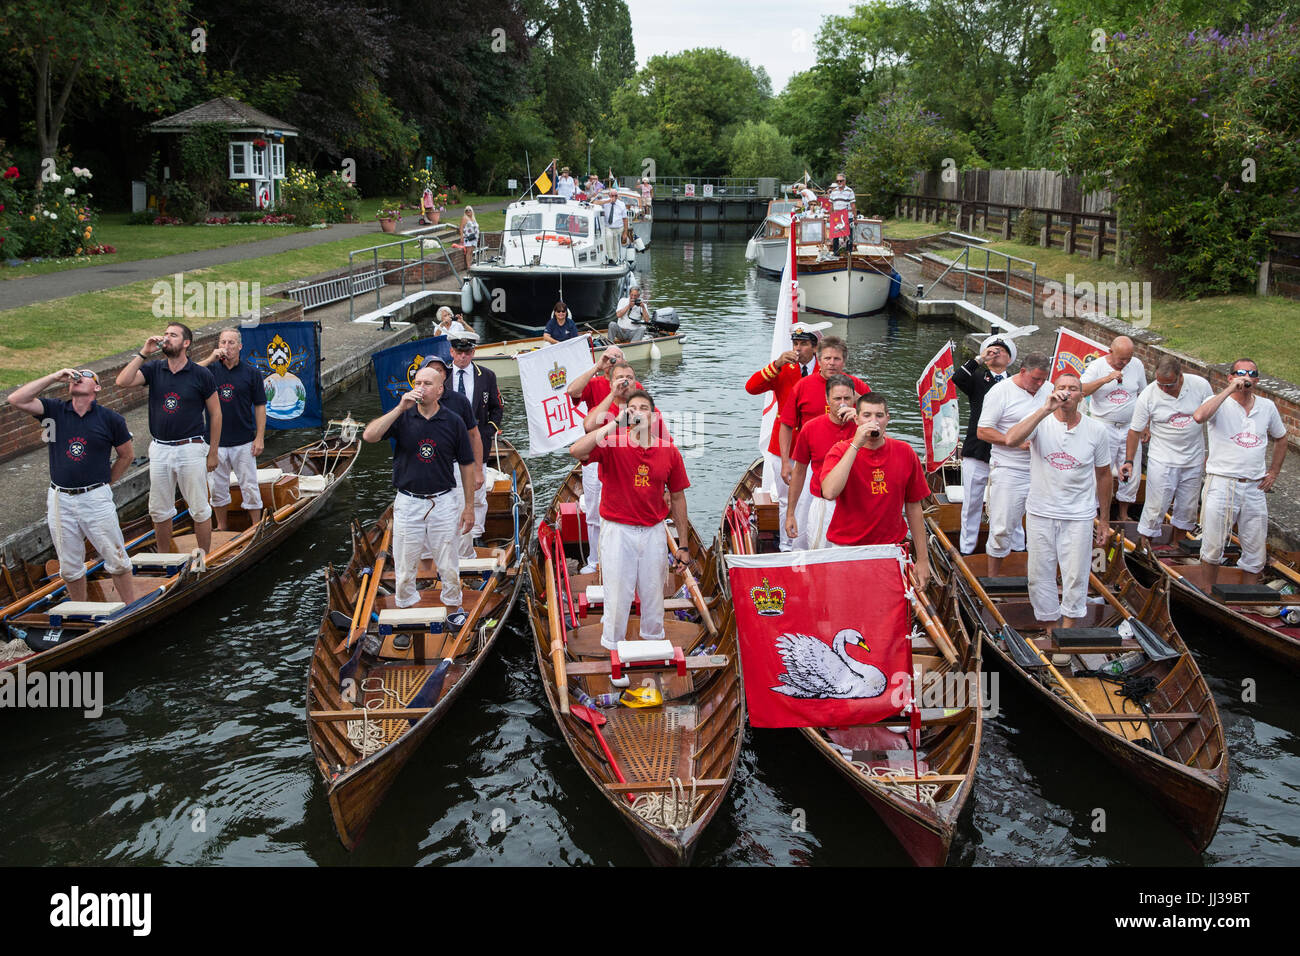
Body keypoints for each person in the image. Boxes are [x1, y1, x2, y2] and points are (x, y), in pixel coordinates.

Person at [570, 388, 692, 650]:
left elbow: (679, 498)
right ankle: (613, 645)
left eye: (644, 408)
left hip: (653, 531)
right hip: (618, 530)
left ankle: (653, 641)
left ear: (654, 416)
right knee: (617, 594)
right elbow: (576, 451)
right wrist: (614, 423)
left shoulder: (669, 451)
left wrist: (683, 544)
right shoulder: (612, 443)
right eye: (632, 408)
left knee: (653, 591)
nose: (638, 413)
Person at [9, 367, 136, 604]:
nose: (78, 378)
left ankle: (132, 607)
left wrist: (106, 483)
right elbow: (16, 399)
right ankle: (80, 609)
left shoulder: (111, 419)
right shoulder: (55, 410)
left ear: (97, 388)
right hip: (60, 498)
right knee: (69, 565)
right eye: (75, 376)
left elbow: (126, 455)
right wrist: (52, 377)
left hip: (95, 497)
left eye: (86, 376)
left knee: (116, 558)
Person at [361, 365, 475, 626]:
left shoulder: (453, 421)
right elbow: (369, 435)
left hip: (443, 501)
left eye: (426, 384)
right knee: (404, 566)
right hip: (408, 502)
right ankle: (406, 618)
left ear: (439, 390)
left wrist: (468, 507)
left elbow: (467, 465)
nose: (420, 388)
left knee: (448, 564)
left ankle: (453, 610)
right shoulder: (402, 416)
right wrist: (399, 408)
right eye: (417, 382)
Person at [1002, 373, 1112, 627]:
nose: (1066, 393)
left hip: (1079, 515)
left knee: (1076, 574)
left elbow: (1104, 475)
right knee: (1039, 575)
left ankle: (1068, 629)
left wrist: (1104, 520)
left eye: (1072, 389)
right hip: (1041, 511)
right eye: (1061, 388)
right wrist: (1044, 409)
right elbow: (1011, 439)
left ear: (1081, 396)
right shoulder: (1040, 421)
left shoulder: (1096, 430)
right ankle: (1051, 627)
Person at [115, 322, 220, 555]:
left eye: (173, 335)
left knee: (200, 508)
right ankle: (163, 559)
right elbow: (122, 382)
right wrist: (144, 352)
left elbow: (216, 413)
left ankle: (204, 557)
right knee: (159, 510)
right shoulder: (154, 369)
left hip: (191, 448)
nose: (166, 338)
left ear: (186, 343)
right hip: (160, 449)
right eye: (165, 334)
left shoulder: (201, 374)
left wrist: (213, 452)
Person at [818, 394, 931, 589]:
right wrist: (856, 445)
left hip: (889, 549)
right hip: (847, 548)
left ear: (887, 418)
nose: (873, 421)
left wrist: (923, 560)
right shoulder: (839, 451)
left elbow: (913, 506)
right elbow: (829, 492)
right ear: (856, 419)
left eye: (879, 415)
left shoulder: (905, 452)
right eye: (867, 415)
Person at [1192, 358, 1288, 586]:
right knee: (1214, 543)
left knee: (1255, 546)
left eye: (1251, 374)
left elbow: (1281, 438)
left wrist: (1273, 472)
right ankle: (1208, 590)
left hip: (1254, 485)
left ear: (1257, 379)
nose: (1246, 378)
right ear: (1230, 376)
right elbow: (1199, 417)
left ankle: (1248, 596)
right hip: (1222, 482)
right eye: (1241, 373)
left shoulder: (1267, 407)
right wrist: (1229, 390)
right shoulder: (1217, 401)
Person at [1122, 356, 1214, 549]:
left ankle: (1176, 546)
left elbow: (1214, 420)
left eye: (1169, 385)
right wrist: (1129, 460)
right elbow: (1134, 430)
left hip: (1193, 458)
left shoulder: (1200, 386)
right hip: (1162, 458)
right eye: (1160, 384)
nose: (1163, 389)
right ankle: (1145, 545)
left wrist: (1212, 454)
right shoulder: (1148, 394)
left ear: (1181, 377)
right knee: (1156, 506)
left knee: (1188, 507)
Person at [975, 351, 1052, 576]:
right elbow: (983, 431)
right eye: (1035, 379)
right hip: (1010, 467)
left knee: (1044, 526)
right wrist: (1013, 443)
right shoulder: (1000, 392)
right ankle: (992, 578)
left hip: (1042, 467)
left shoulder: (1048, 389)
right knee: (1002, 527)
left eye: (1043, 379)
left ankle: (1039, 574)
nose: (1039, 384)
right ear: (1023, 371)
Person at [745, 322, 820, 549]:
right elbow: (751, 387)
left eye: (804, 344)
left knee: (814, 500)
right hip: (784, 447)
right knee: (788, 499)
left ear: (815, 348)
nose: (798, 349)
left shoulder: (826, 371)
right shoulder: (782, 370)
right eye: (795, 343)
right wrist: (776, 364)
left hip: (816, 448)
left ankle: (810, 544)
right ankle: (787, 547)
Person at [566, 346, 633, 571]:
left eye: (619, 359)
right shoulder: (596, 384)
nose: (614, 363)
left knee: (625, 508)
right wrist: (597, 366)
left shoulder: (634, 388)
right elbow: (572, 391)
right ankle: (595, 560)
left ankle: (620, 560)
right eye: (610, 359)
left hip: (624, 455)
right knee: (594, 509)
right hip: (596, 452)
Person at [779, 336, 869, 494]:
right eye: (827, 358)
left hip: (853, 463)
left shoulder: (857, 385)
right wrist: (785, 462)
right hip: (811, 464)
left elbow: (877, 421)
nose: (831, 363)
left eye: (837, 359)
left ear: (844, 362)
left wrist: (858, 400)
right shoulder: (803, 386)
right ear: (819, 360)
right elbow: (786, 424)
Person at [196, 327, 267, 531]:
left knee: (250, 486)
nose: (226, 347)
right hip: (215, 443)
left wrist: (259, 437)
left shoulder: (252, 373)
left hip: (243, 440)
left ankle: (256, 525)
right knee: (217, 488)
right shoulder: (208, 371)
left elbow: (260, 406)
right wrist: (210, 359)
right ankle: (222, 526)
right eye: (222, 342)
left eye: (231, 342)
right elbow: (186, 373)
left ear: (240, 346)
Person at [952, 336, 1017, 554]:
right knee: (972, 501)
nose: (995, 353)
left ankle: (1016, 548)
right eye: (992, 350)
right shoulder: (978, 379)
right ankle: (967, 549)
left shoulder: (1016, 383)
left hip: (1008, 451)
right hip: (978, 448)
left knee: (1011, 502)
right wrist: (979, 359)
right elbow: (958, 377)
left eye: (1000, 351)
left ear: (1009, 358)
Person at [785, 374, 858, 549]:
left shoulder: (864, 426)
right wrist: (790, 514)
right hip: (825, 505)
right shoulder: (811, 428)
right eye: (837, 398)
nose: (843, 403)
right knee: (819, 557)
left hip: (857, 504)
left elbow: (885, 450)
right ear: (827, 400)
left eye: (847, 398)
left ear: (854, 399)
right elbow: (799, 472)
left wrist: (860, 420)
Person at [448, 331, 503, 554]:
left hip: (476, 444)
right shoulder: (440, 375)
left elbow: (497, 408)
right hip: (448, 446)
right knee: (450, 492)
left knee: (478, 493)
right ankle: (451, 533)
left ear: (473, 352)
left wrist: (488, 431)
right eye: (459, 351)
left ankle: (477, 534)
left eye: (467, 352)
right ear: (452, 351)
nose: (463, 356)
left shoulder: (486, 376)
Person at [1081, 335, 1146, 518]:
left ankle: (1124, 512)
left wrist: (1145, 424)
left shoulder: (1137, 365)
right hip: (1103, 425)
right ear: (1110, 352)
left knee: (1131, 470)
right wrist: (1106, 379)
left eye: (1128, 359)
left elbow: (1143, 394)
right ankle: (1098, 512)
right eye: (1121, 359)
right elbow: (1081, 389)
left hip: (1130, 427)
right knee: (1101, 470)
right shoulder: (1096, 366)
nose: (1124, 363)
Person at [827, 173, 856, 254]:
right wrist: (831, 216)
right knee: (835, 235)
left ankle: (849, 252)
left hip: (848, 216)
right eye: (837, 181)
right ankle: (836, 252)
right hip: (836, 216)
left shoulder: (850, 191)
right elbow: (831, 205)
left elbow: (853, 205)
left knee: (849, 235)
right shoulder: (834, 192)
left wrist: (855, 218)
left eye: (841, 181)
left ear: (845, 181)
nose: (839, 182)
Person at [459, 205, 480, 271]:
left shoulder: (473, 218)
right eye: (466, 210)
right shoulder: (464, 218)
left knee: (471, 252)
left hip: (474, 238)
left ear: (472, 211)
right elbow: (461, 228)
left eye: (469, 210)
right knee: (468, 252)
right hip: (468, 237)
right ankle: (468, 266)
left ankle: (470, 264)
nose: (468, 211)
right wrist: (461, 237)